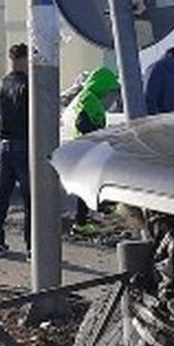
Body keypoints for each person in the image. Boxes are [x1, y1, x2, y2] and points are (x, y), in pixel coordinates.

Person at [0, 43, 32, 258]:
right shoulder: (30, 86)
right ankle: (33, 245)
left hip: (3, 147)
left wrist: (1, 133)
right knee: (31, 199)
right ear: (24, 60)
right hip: (26, 145)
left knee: (0, 196)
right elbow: (37, 119)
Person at [62, 65, 120, 234]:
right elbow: (82, 123)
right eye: (110, 93)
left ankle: (100, 207)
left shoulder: (89, 98)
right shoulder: (89, 100)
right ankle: (81, 223)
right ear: (102, 88)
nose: (112, 99)